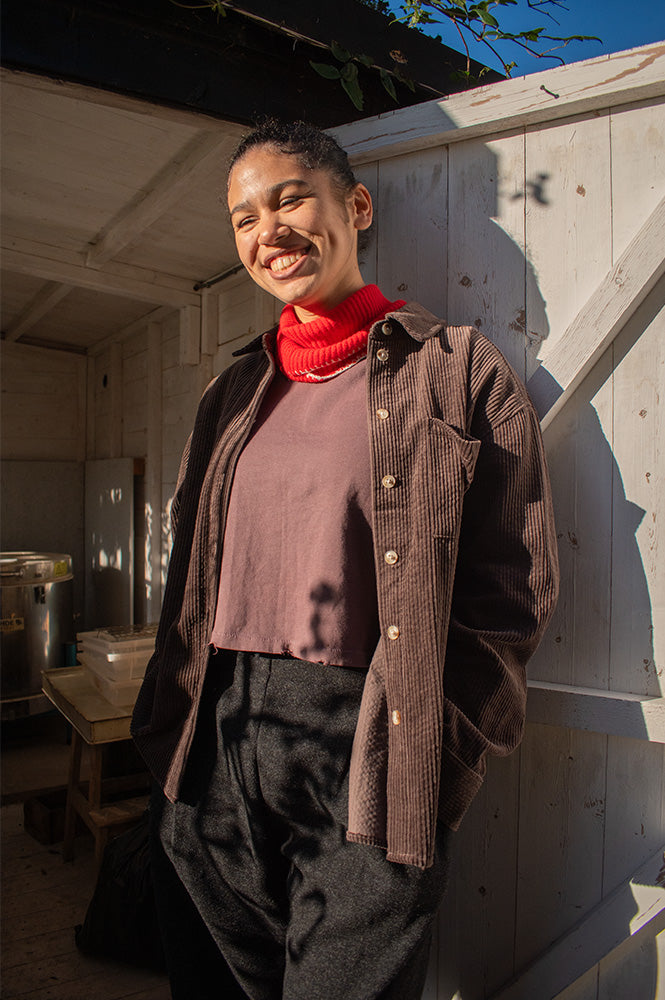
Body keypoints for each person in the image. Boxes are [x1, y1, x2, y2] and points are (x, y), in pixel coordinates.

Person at [131, 119, 559, 1000]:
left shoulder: (458, 372)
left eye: (289, 200)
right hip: (213, 737)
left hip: (370, 742)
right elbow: (189, 576)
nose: (268, 231)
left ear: (355, 206)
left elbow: (512, 590)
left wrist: (439, 753)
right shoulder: (230, 393)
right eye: (244, 218)